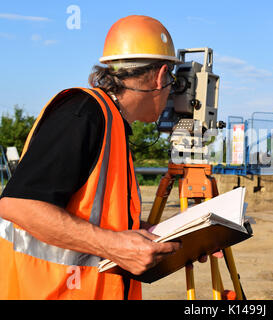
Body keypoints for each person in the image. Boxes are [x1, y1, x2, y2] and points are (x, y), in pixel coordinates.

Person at [0, 15, 185, 300]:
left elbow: (92, 218)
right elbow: (18, 205)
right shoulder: (85, 113)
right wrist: (114, 246)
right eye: (172, 80)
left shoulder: (113, 126)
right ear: (161, 76)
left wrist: (164, 237)